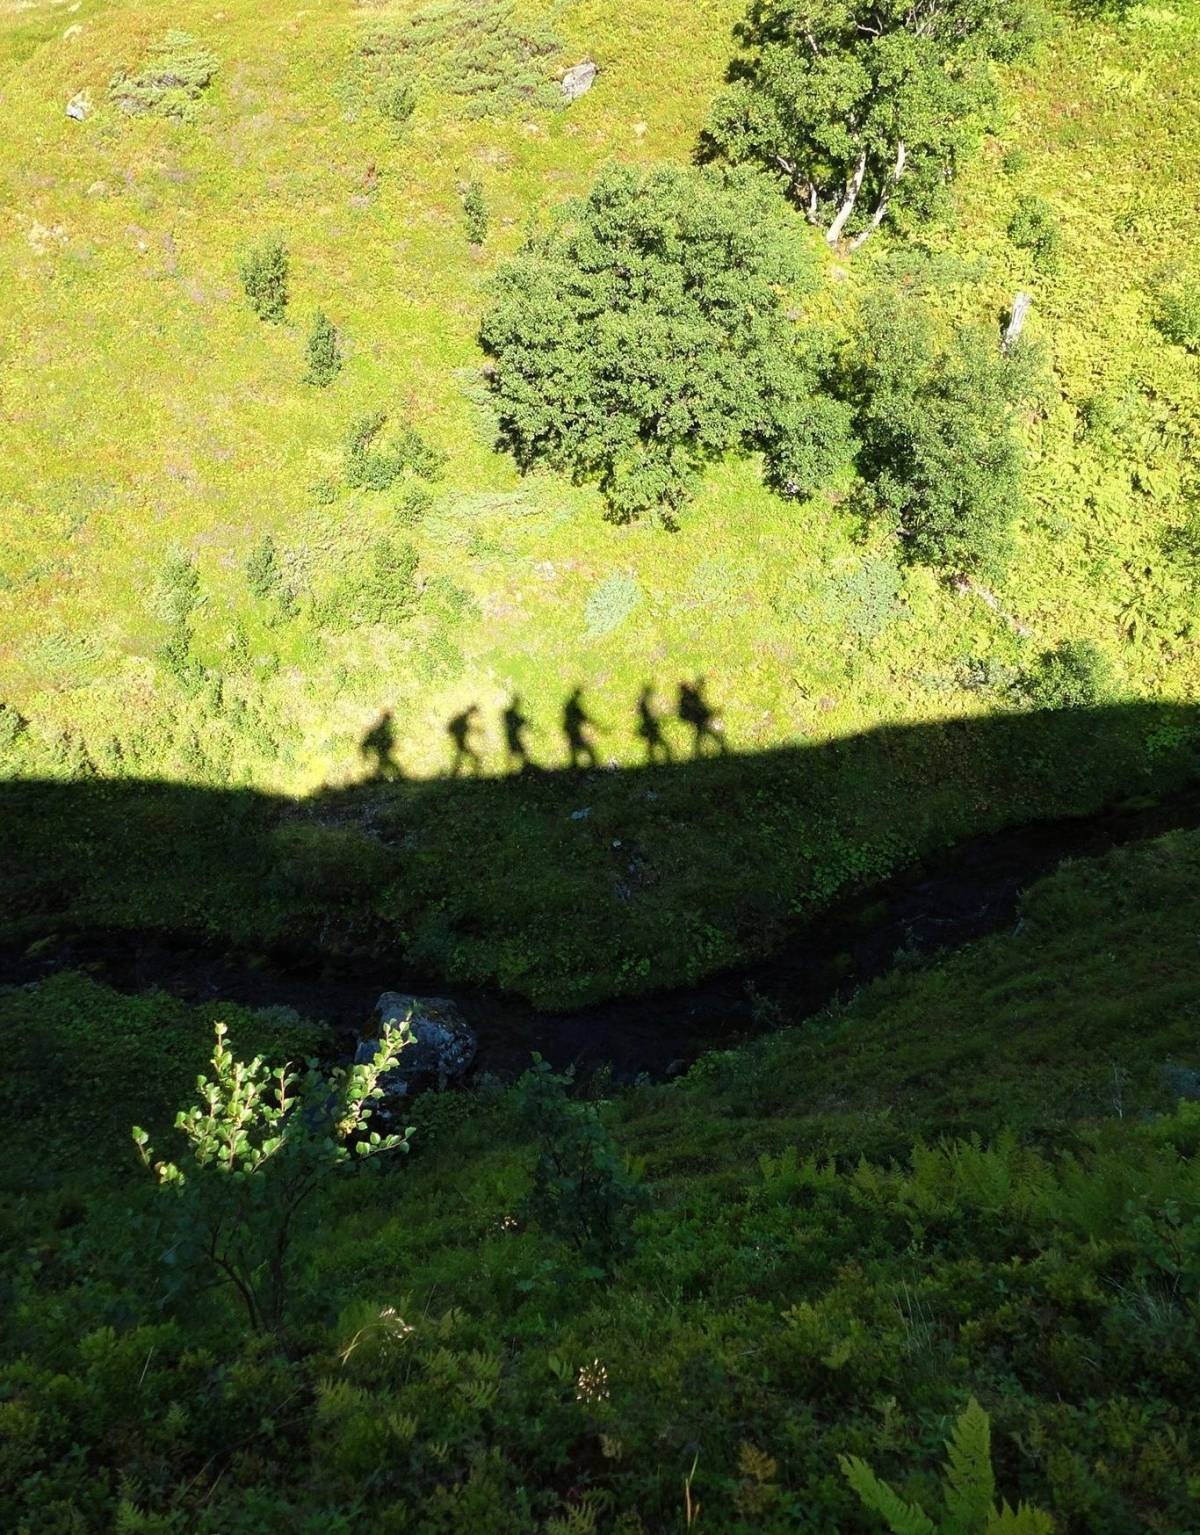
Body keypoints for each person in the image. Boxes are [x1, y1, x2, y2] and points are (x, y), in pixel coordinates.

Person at [678, 676, 726, 757]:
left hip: (699, 718)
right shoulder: (687, 698)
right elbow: (695, 705)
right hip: (699, 718)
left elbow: (697, 692)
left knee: (702, 734)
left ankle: (697, 753)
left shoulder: (688, 696)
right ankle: (722, 748)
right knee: (707, 733)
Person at [562, 686, 598, 770]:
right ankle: (591, 765)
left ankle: (574, 766)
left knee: (575, 748)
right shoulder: (573, 705)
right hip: (573, 729)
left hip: (570, 729)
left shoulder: (571, 704)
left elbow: (581, 716)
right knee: (583, 747)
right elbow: (582, 716)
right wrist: (594, 723)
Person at [635, 684, 671, 764]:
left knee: (652, 745)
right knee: (660, 744)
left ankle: (651, 761)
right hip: (650, 726)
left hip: (649, 726)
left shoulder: (644, 702)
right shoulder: (644, 703)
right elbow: (646, 715)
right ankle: (663, 759)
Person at [447, 704, 482, 777]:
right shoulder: (464, 717)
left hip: (459, 739)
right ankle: (475, 772)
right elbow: (465, 728)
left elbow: (466, 728)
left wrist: (476, 730)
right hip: (459, 739)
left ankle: (454, 772)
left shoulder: (464, 717)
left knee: (460, 756)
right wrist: (477, 730)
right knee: (472, 756)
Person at [502, 694, 532, 772]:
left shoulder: (509, 713)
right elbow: (520, 722)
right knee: (521, 753)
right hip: (514, 738)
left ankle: (511, 769)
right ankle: (525, 769)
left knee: (514, 754)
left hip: (511, 737)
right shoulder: (512, 714)